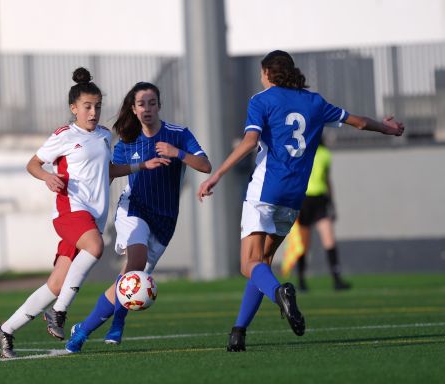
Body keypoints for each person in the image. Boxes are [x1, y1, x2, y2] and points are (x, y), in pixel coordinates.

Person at [196, 50, 404, 352]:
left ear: (267, 72)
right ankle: (238, 332)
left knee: (248, 265)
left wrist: (217, 175)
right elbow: (357, 122)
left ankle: (281, 293)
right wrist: (388, 128)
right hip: (294, 197)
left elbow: (250, 141)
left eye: (262, 72)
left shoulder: (261, 100)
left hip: (265, 192)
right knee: (263, 263)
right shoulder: (315, 102)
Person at [0, 68, 169, 358]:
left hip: (91, 217)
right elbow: (33, 164)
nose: (93, 112)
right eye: (87, 107)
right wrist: (47, 177)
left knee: (57, 283)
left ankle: (6, 330)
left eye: (97, 106)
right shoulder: (63, 135)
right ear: (74, 108)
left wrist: (140, 166)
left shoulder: (102, 135)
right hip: (70, 210)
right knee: (96, 247)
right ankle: (59, 312)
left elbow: (106, 170)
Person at [64, 81, 212, 353]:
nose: (147, 109)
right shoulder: (127, 142)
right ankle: (117, 324)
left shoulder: (178, 135)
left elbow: (205, 165)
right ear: (133, 109)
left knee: (129, 278)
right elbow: (107, 173)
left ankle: (83, 329)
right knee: (136, 261)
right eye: (141, 104)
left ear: (159, 105)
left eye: (152, 103)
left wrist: (177, 153)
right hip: (134, 208)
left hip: (165, 219)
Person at [296, 141, 351, 291]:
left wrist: (332, 203)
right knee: (303, 244)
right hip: (304, 200)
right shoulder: (300, 152)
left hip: (320, 200)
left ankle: (337, 279)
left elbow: (327, 180)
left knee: (329, 240)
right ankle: (300, 280)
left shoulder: (324, 154)